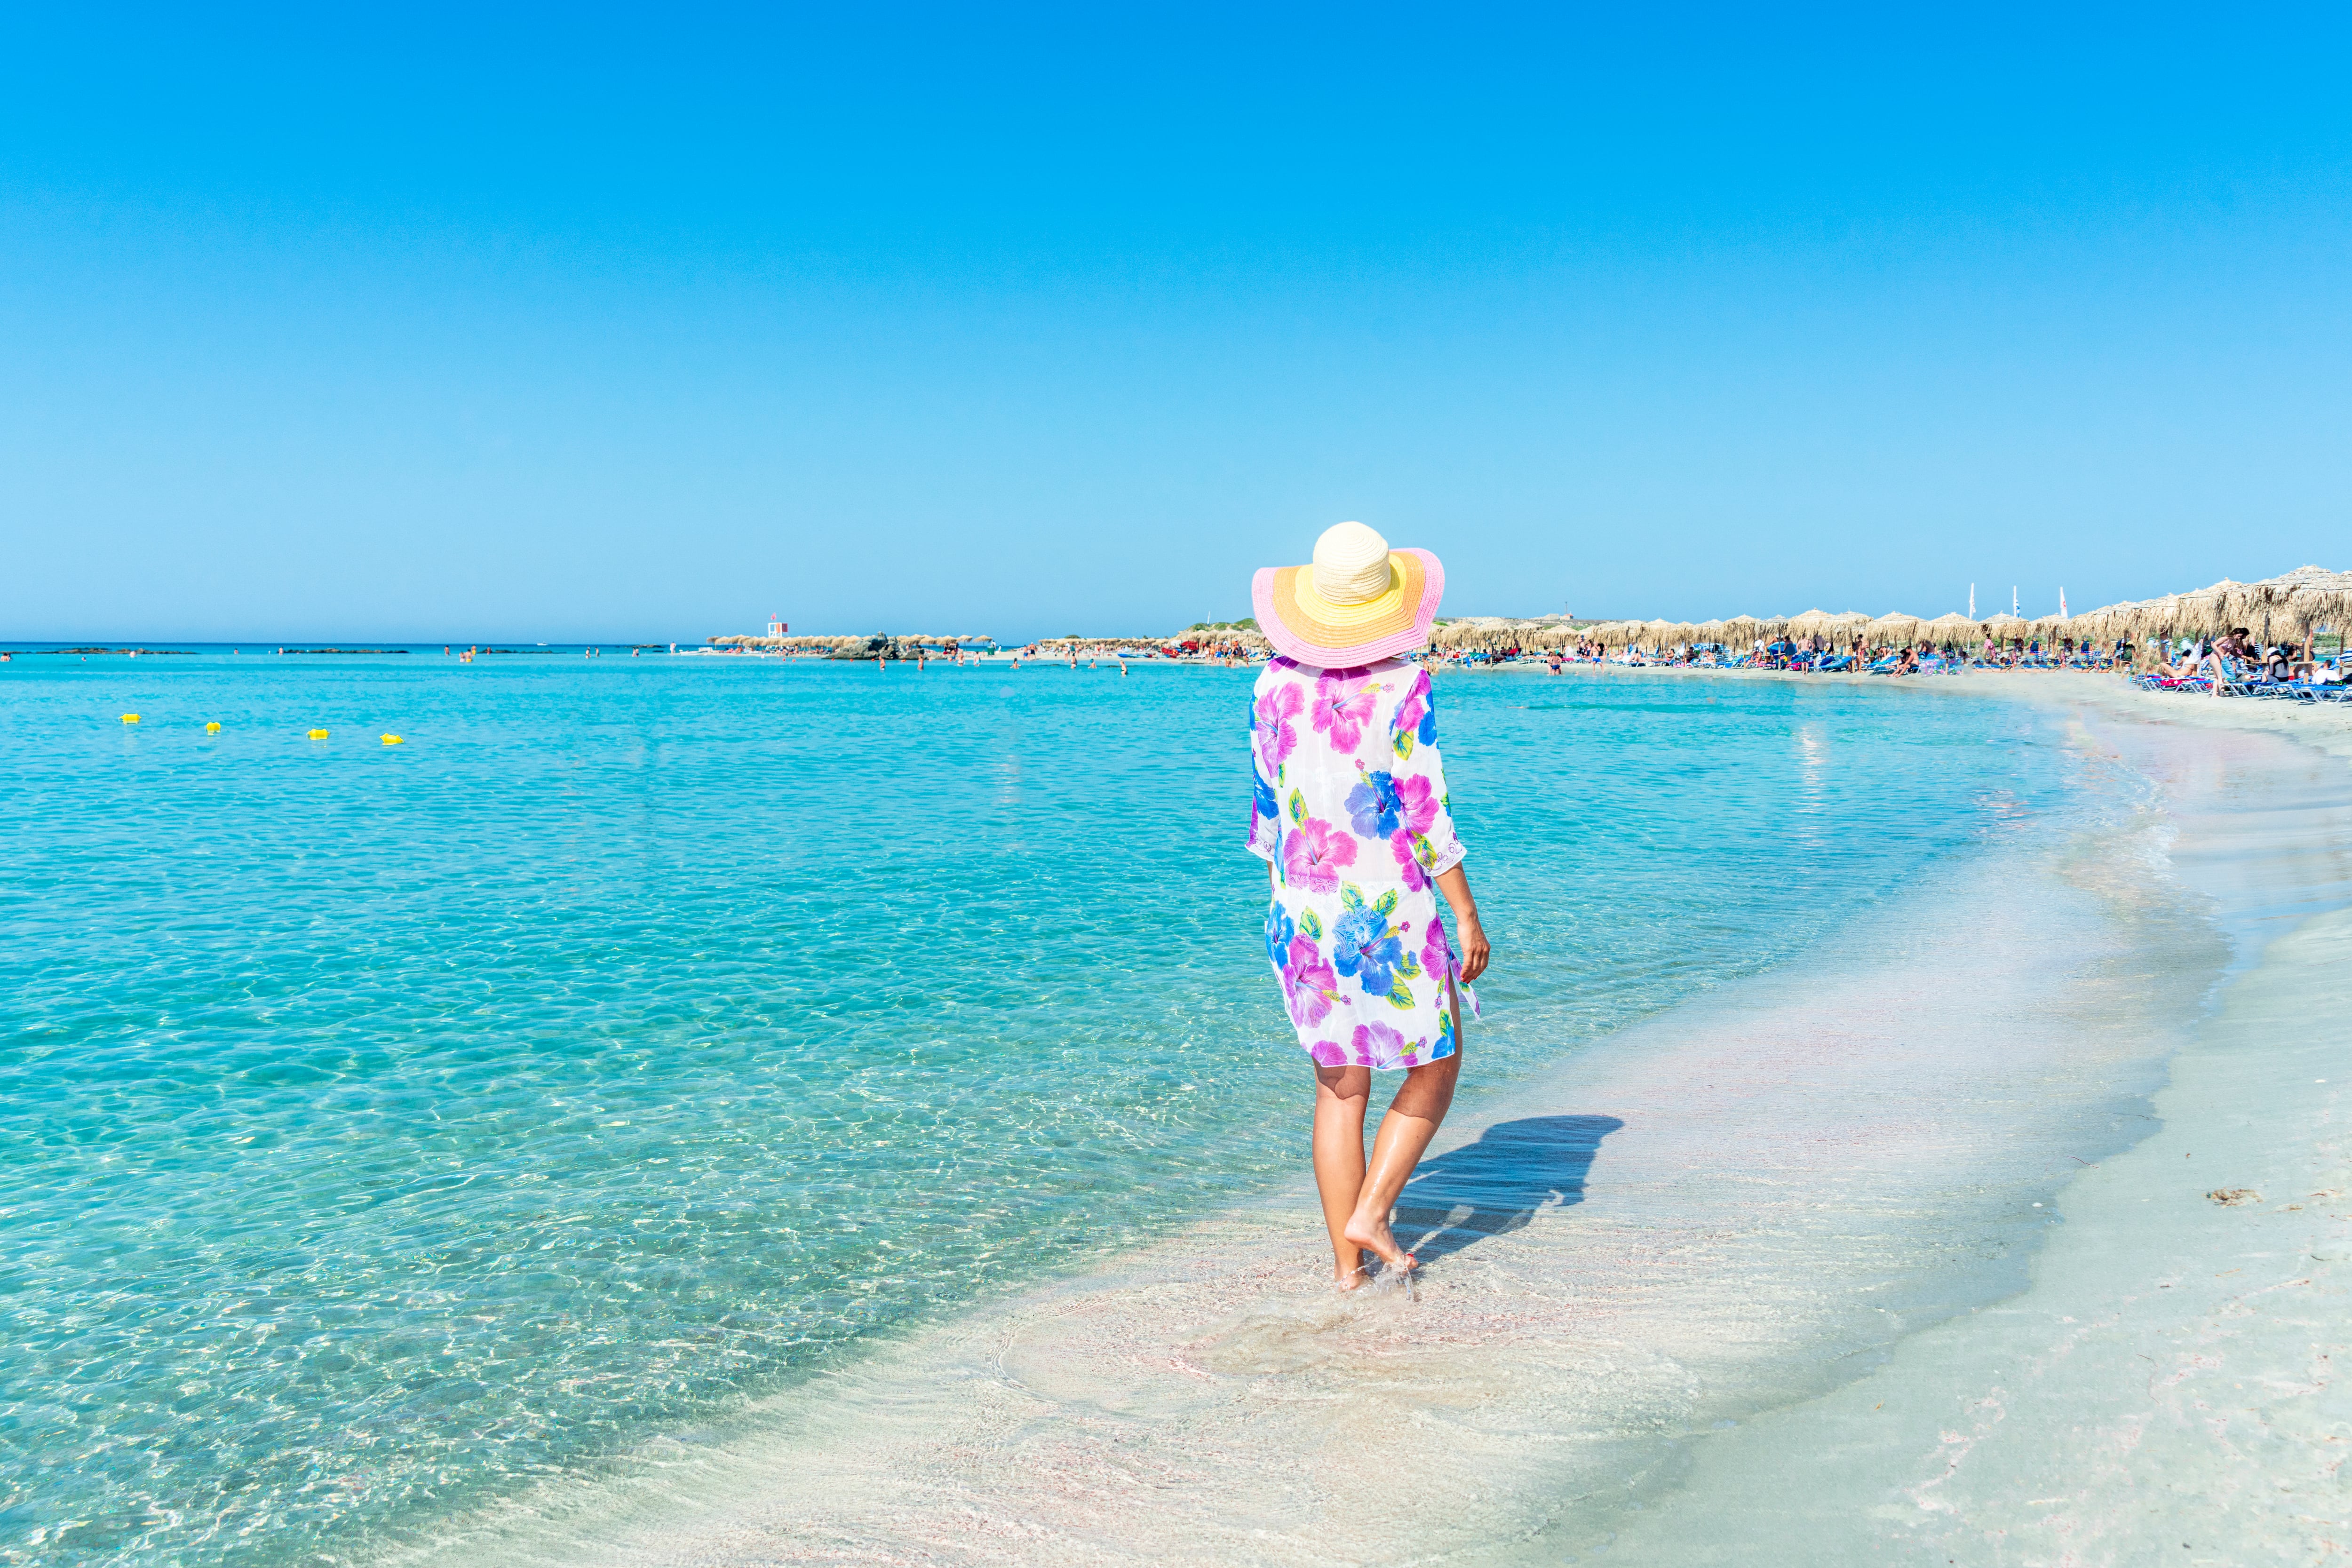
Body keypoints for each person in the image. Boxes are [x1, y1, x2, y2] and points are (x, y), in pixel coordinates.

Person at [1247, 521, 1492, 1291]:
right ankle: (1374, 1210)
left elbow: (1265, 817)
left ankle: (1346, 1276)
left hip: (1300, 911)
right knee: (1439, 1065)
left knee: (1338, 1087)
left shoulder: (1269, 687)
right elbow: (1424, 809)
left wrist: (1296, 900)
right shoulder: (1404, 684)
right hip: (1387, 909)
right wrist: (1467, 913)